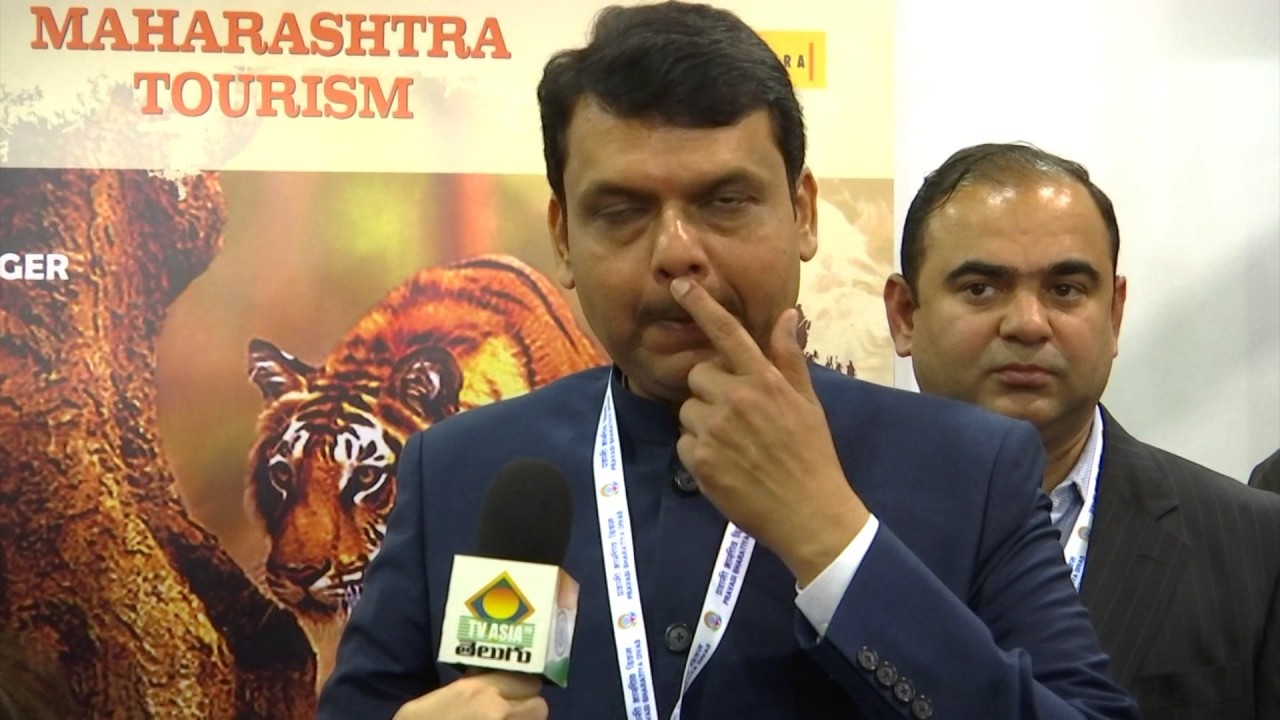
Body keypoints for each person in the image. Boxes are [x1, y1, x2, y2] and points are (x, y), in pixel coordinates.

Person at [319, 5, 1137, 718]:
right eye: (623, 211)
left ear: (804, 213)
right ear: (563, 239)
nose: (677, 253)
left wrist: (835, 541)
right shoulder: (461, 469)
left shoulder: (971, 469)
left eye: (725, 201)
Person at [883, 142, 1280, 719]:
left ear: (1114, 314)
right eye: (980, 289)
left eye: (1065, 289)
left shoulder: (1255, 545)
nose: (1027, 324)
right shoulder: (817, 520)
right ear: (904, 315)